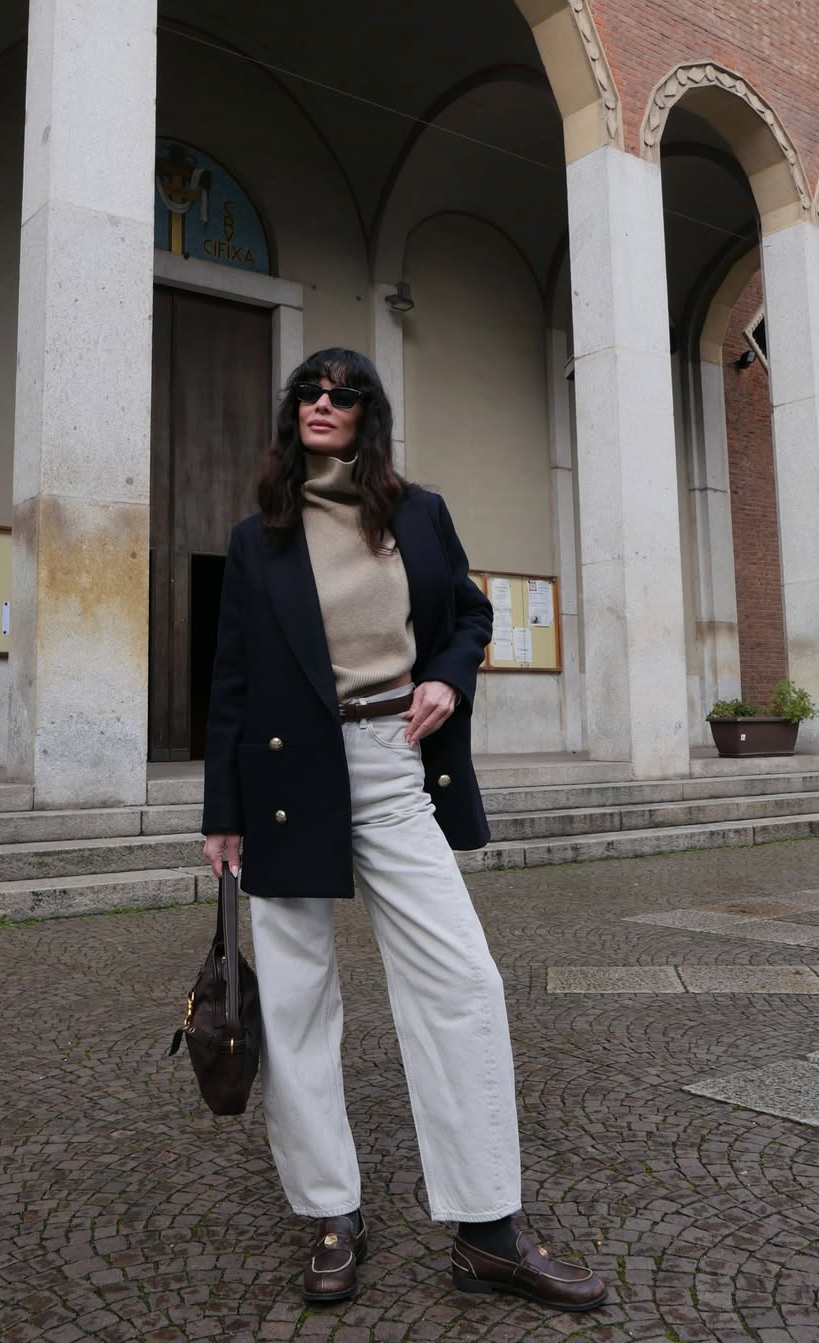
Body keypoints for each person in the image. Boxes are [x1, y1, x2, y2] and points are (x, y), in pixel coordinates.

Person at [201, 347, 605, 1312]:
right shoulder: (260, 537)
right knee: (297, 1002)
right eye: (309, 391)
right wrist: (223, 811)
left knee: (464, 980)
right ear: (292, 409)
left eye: (343, 394)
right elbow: (230, 680)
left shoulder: (416, 514)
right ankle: (332, 1211)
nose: (323, 403)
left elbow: (468, 614)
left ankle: (487, 1229)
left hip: (391, 764)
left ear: (367, 413)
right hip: (287, 776)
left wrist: (447, 677)